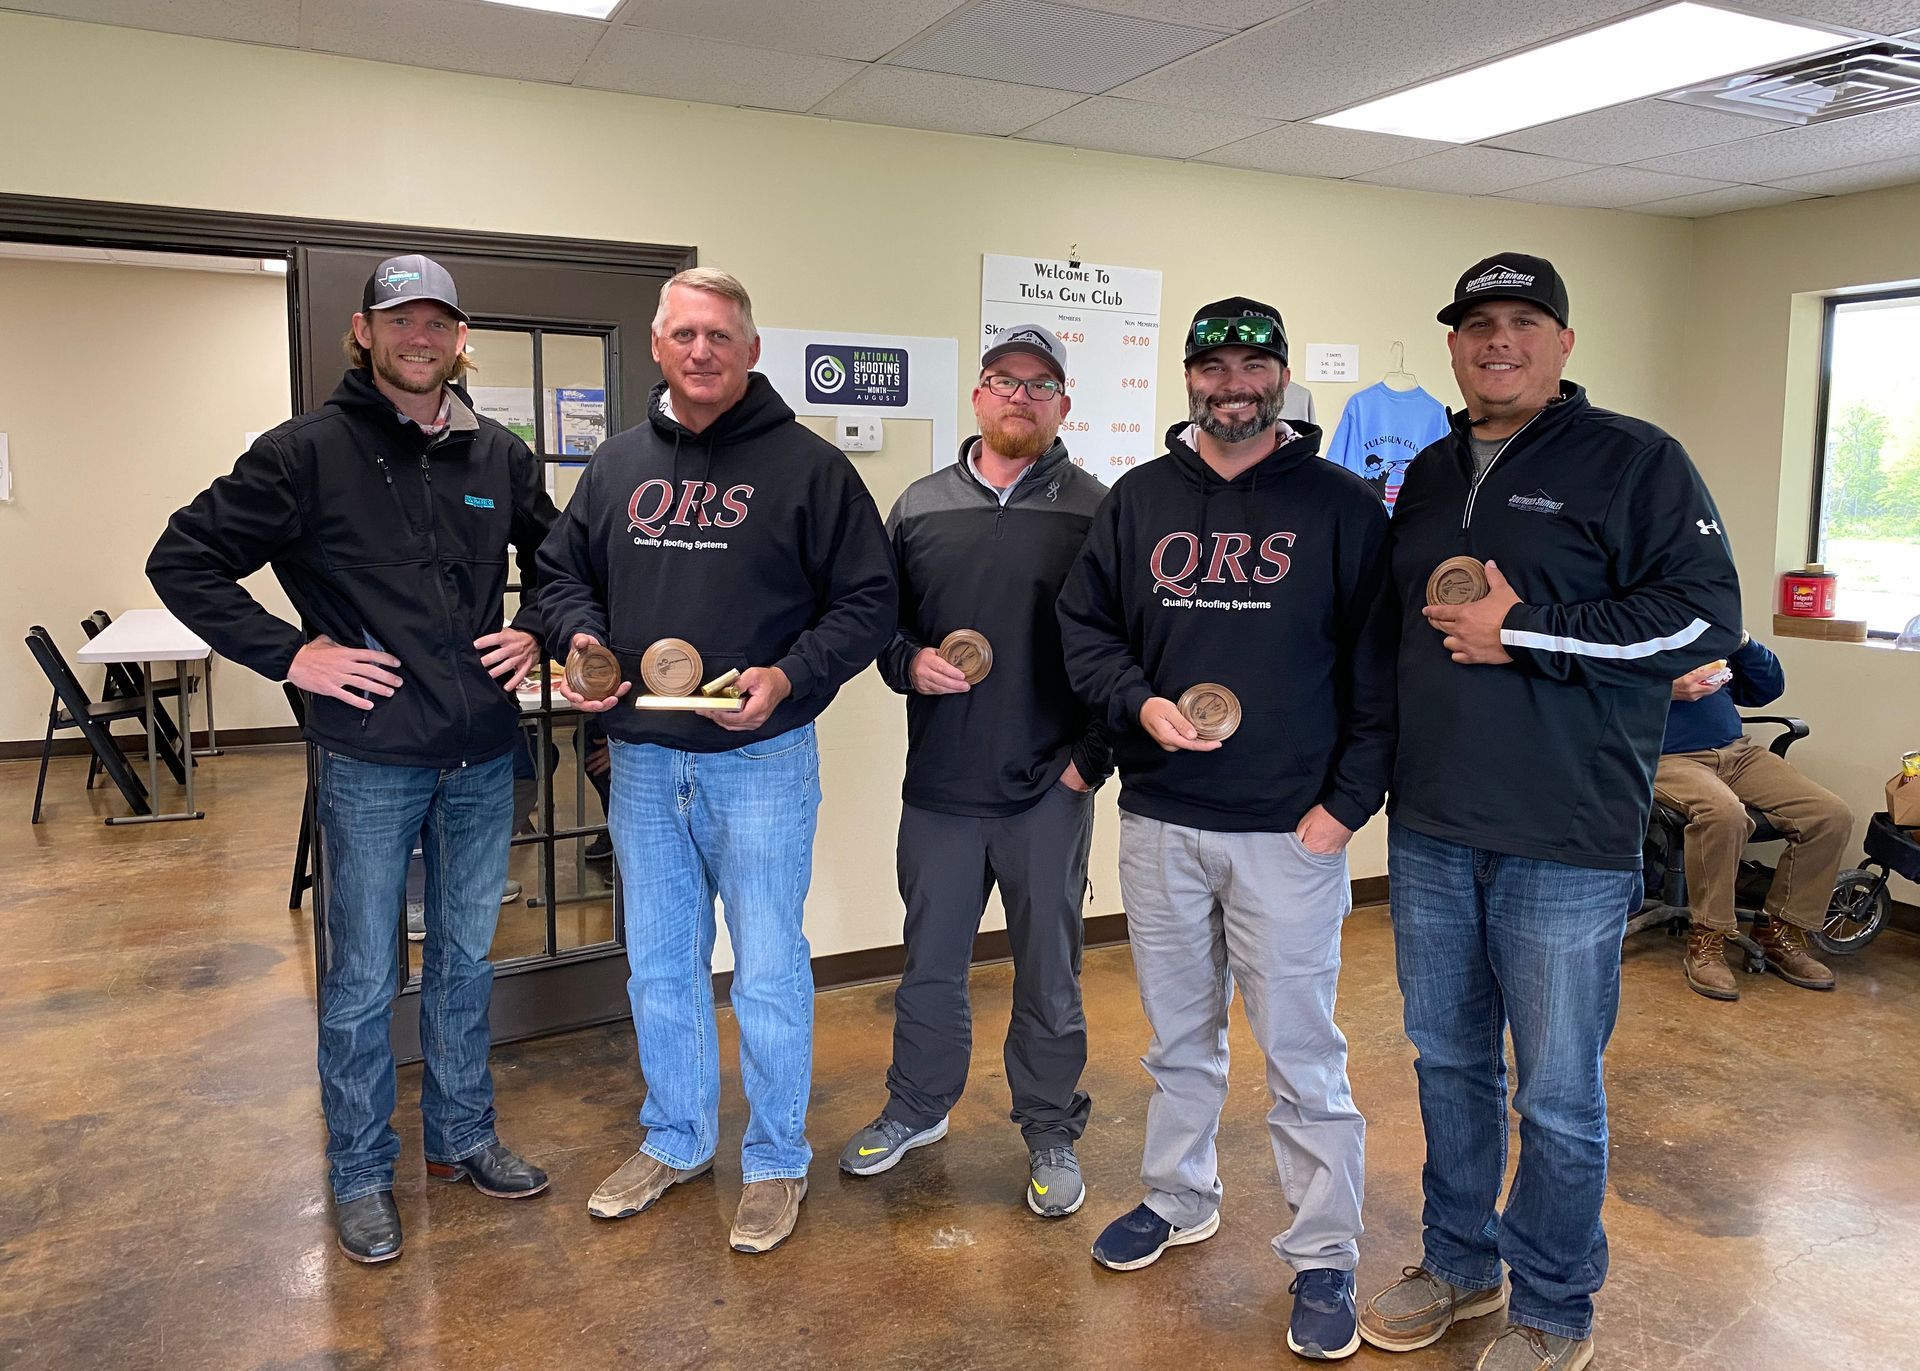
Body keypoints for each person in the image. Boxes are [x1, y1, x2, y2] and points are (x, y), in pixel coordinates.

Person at [1364, 253, 1743, 1370]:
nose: (1498, 341)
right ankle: (1462, 1265)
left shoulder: (1635, 461)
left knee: (1562, 1097)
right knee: (1446, 1065)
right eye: (1478, 324)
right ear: (1452, 344)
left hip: (1565, 840)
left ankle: (1555, 1307)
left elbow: (1701, 624)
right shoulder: (1428, 473)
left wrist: (1527, 630)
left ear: (1563, 343)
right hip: (1431, 828)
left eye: (1524, 322)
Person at [147, 254, 559, 1263]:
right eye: (400, 321)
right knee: (365, 980)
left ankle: (463, 1138)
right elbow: (182, 559)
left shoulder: (498, 456)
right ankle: (362, 1172)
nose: (421, 338)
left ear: (461, 340)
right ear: (365, 334)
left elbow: (560, 563)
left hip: (478, 757)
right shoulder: (303, 454)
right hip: (371, 760)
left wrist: (543, 624)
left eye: (439, 324)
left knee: (466, 965)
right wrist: (294, 654)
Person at [1058, 297, 1395, 1362]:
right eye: (1215, 366)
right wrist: (1137, 705)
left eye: (1256, 365)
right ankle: (1179, 1194)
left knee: (1303, 1053)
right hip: (1161, 818)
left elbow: (1380, 672)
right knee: (1176, 1041)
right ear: (1190, 377)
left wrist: (1344, 810)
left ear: (1283, 376)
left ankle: (1326, 1250)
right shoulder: (1139, 501)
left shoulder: (1342, 507)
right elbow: (1089, 628)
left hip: (1288, 832)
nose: (1234, 384)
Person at [538, 267, 895, 1255]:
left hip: (762, 761)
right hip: (645, 762)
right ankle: (679, 1139)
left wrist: (789, 675)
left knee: (769, 967)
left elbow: (869, 604)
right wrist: (580, 642)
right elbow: (562, 575)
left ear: (751, 350)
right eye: (684, 334)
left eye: (720, 336)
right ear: (657, 346)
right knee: (659, 965)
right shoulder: (614, 469)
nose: (701, 351)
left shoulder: (812, 471)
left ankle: (777, 1159)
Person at [838, 325, 1110, 1217]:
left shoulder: (1098, 510)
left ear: (1063, 404)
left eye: (1040, 385)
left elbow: (1125, 649)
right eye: (1004, 380)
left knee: (1050, 972)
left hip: (1049, 789)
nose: (1020, 397)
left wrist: (1086, 767)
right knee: (930, 967)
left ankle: (1050, 1127)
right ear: (978, 395)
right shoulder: (918, 505)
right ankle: (918, 1107)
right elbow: (877, 621)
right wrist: (907, 660)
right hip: (943, 791)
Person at [1659, 637, 1848, 999]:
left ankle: (1781, 933)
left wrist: (1742, 640)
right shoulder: (1632, 628)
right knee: (1724, 814)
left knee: (1828, 814)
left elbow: (1766, 689)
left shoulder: (1707, 630)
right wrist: (1668, 690)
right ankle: (1707, 938)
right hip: (1665, 758)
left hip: (1736, 753)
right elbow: (1597, 694)